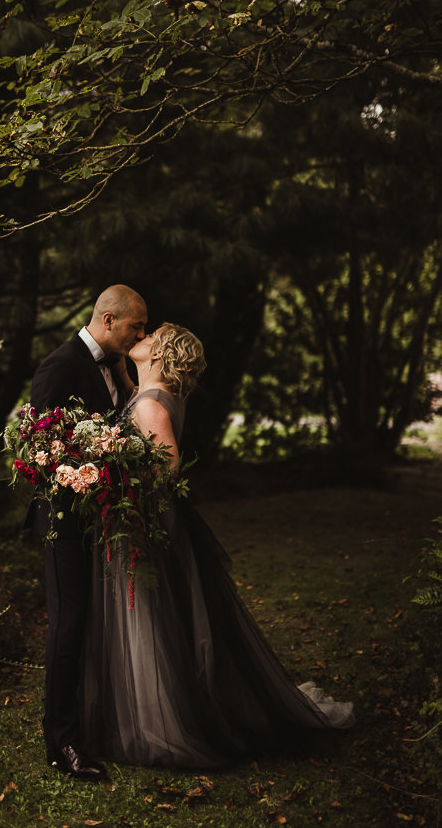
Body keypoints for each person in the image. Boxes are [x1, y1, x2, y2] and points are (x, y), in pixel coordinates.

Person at [80, 323, 354, 768]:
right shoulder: (151, 392)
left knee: (153, 620)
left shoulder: (152, 405)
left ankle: (164, 723)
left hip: (146, 520)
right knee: (165, 620)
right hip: (148, 518)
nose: (143, 335)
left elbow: (167, 469)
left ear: (162, 353)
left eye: (152, 335)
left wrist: (115, 474)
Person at [28, 284, 147, 780]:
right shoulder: (61, 363)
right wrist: (88, 466)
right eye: (136, 326)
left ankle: (90, 723)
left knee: (92, 622)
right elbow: (39, 445)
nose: (141, 334)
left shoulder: (114, 366)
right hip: (62, 518)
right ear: (108, 319)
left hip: (97, 515)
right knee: (69, 624)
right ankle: (62, 744)